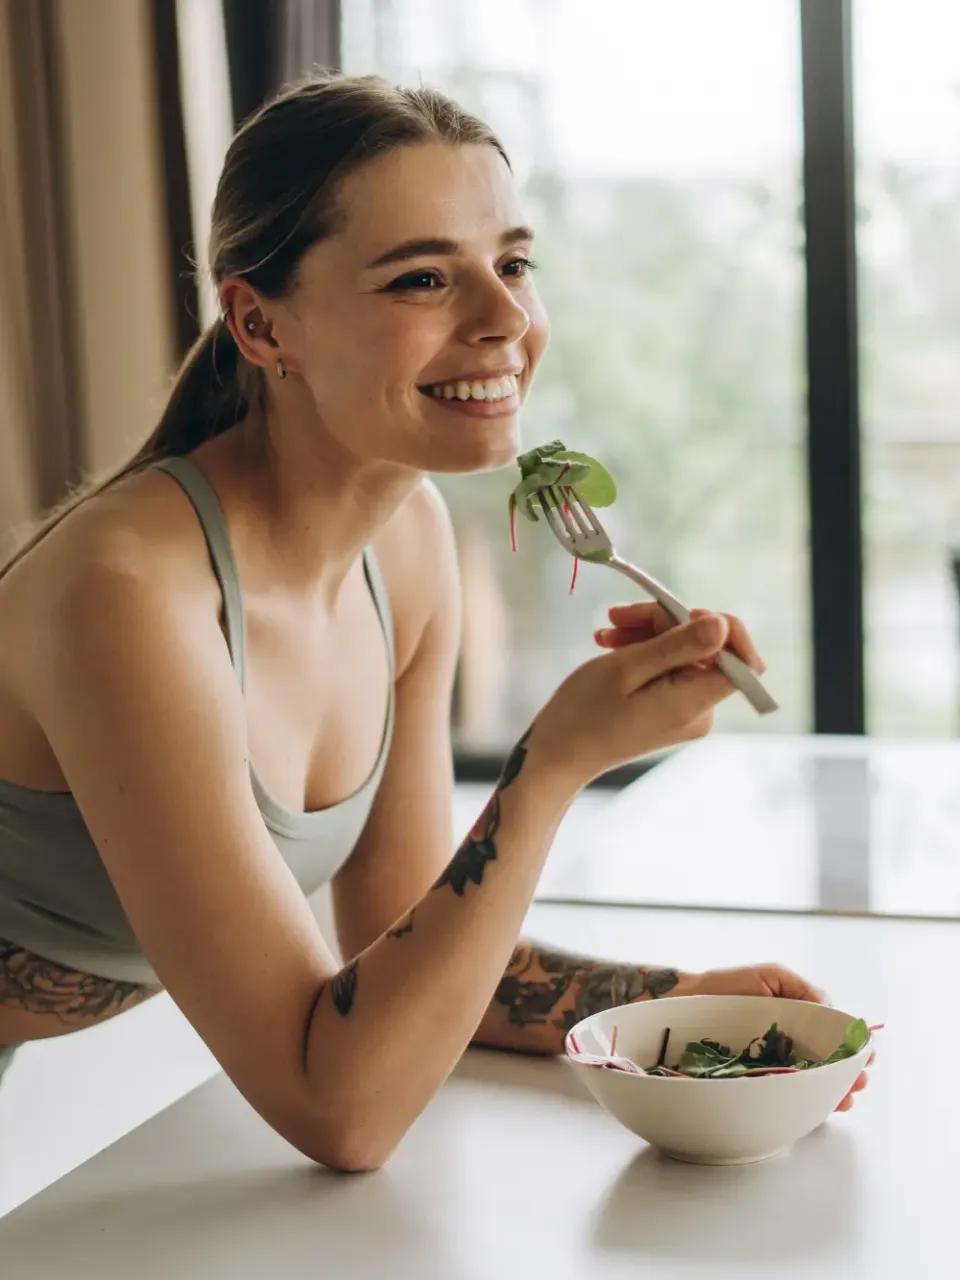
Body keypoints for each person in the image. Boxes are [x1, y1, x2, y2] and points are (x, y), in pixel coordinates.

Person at [0, 74, 869, 1168]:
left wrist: (672, 1002)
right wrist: (548, 769)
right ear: (262, 323)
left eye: (512, 263)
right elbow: (339, 1103)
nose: (505, 318)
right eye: (422, 278)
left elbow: (402, 948)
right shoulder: (129, 592)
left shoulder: (406, 545)